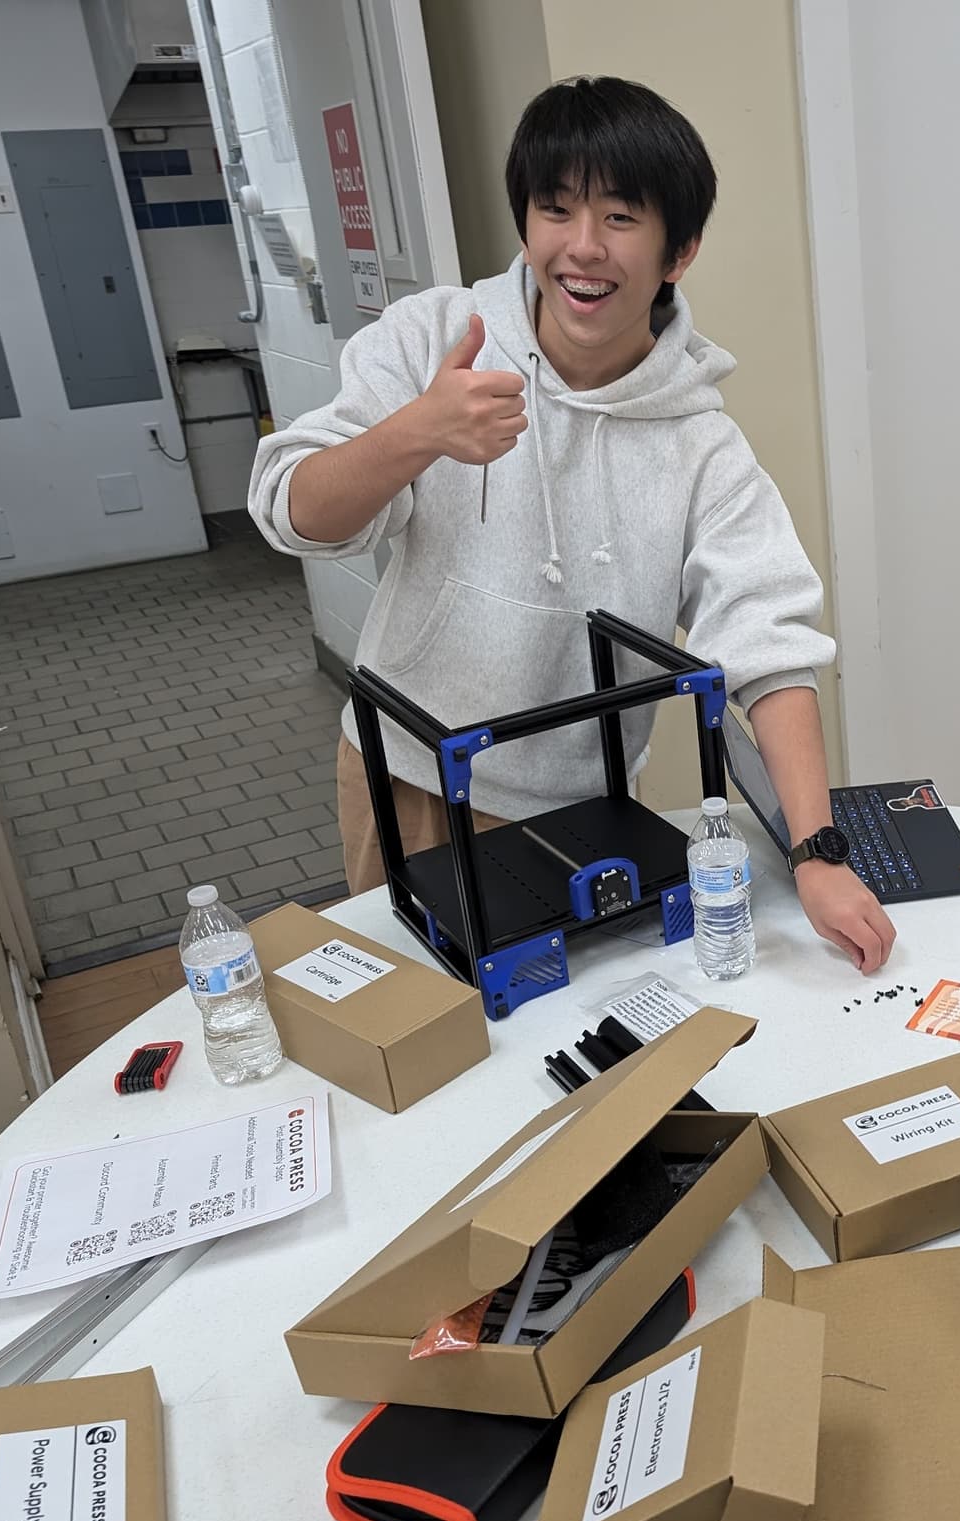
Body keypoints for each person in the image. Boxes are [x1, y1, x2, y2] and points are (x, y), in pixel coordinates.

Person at [247, 76, 894, 973]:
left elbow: (768, 640)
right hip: (405, 775)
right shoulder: (437, 337)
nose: (581, 248)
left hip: (584, 804)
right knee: (425, 1021)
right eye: (555, 209)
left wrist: (818, 854)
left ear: (680, 250)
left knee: (565, 1038)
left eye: (622, 218)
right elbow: (295, 513)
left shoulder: (700, 440)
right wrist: (419, 431)